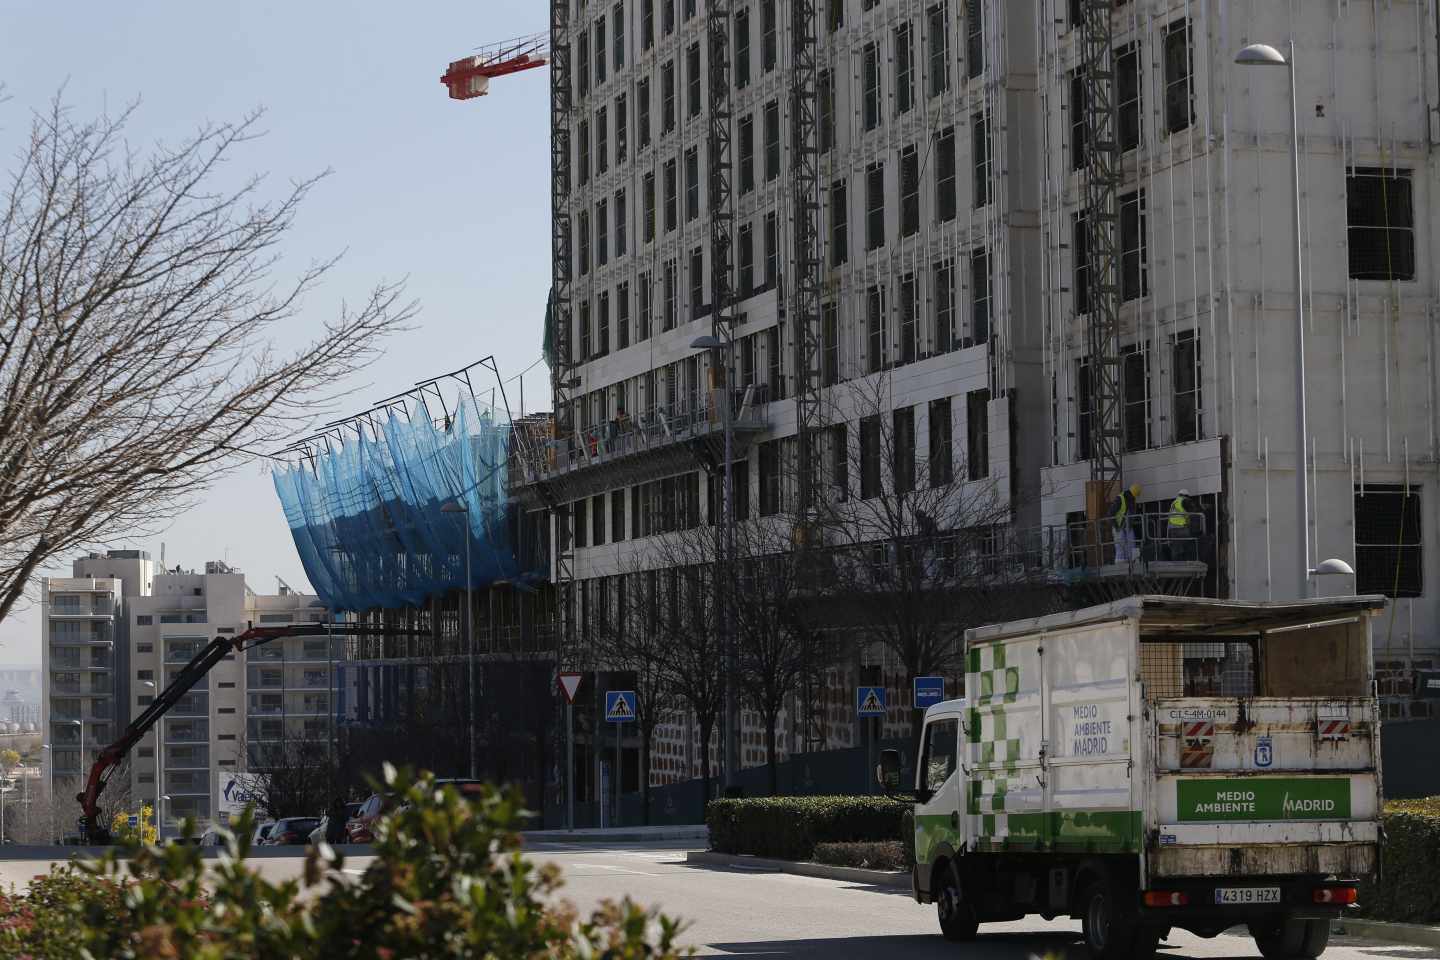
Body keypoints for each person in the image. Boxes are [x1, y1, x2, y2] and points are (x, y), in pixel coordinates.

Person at [1112, 482, 1142, 563]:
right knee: (1120, 546)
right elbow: (1110, 513)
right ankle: (1120, 567)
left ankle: (1134, 562)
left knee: (1132, 544)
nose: (1135, 498)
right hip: (1119, 526)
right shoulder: (1120, 498)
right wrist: (1116, 526)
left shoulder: (1132, 500)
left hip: (1128, 526)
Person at [1168, 489, 1194, 560]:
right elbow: (1188, 514)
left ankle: (1176, 566)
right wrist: (1189, 523)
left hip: (1172, 529)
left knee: (1175, 549)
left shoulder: (1173, 502)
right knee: (1188, 547)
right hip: (1181, 528)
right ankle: (1187, 563)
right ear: (1186, 496)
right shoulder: (1184, 500)